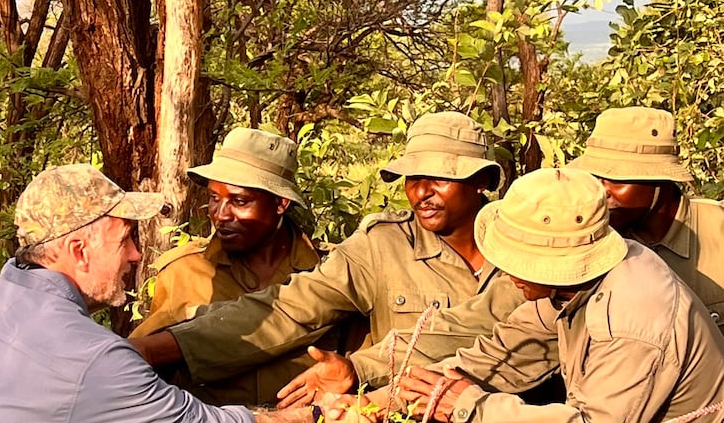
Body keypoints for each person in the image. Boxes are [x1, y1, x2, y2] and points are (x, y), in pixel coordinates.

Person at [130, 111, 527, 405]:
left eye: (438, 179)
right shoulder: (383, 246)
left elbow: (495, 330)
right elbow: (291, 307)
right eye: (413, 179)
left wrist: (362, 369)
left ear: (481, 181)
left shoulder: (530, 249)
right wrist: (149, 350)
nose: (421, 193)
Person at [0, 164, 301, 422]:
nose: (135, 255)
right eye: (124, 240)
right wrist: (308, 415)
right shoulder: (94, 358)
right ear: (79, 251)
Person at [391, 168, 724, 422]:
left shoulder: (630, 319)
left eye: (517, 261)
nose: (507, 271)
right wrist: (390, 398)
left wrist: (471, 406)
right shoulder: (575, 286)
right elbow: (502, 353)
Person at [130, 127, 354, 406]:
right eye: (214, 198)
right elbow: (140, 363)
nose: (221, 215)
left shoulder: (330, 273)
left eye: (239, 201)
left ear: (280, 204)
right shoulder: (184, 272)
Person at [568, 106, 724, 333]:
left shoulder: (717, 230)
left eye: (615, 179)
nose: (600, 192)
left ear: (660, 179)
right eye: (594, 178)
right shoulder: (591, 238)